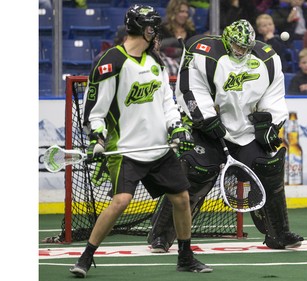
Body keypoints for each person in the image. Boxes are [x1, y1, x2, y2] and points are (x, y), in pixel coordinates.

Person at [69, 5, 213, 277]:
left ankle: (185, 256)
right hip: (126, 150)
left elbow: (167, 102)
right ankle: (86, 257)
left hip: (158, 148)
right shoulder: (112, 61)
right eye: (153, 27)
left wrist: (176, 127)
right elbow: (95, 112)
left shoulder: (155, 61)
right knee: (121, 200)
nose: (156, 32)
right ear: (144, 28)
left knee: (182, 199)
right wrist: (97, 138)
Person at [148, 19, 304, 253]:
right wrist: (206, 118)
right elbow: (190, 88)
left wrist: (270, 122)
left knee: (269, 170)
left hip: (246, 131)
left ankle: (279, 234)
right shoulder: (203, 53)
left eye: (246, 47)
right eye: (237, 45)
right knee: (193, 176)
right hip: (208, 130)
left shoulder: (268, 58)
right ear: (226, 39)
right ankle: (161, 236)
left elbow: (274, 95)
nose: (241, 51)